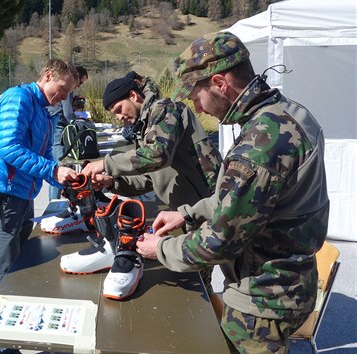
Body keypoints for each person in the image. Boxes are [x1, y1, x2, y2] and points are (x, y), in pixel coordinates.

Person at [136, 31, 329, 353]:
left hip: (262, 300)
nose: (197, 108)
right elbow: (251, 200)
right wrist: (186, 213)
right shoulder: (289, 114)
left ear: (219, 83)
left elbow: (219, 242)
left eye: (196, 96)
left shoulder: (259, 145)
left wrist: (162, 248)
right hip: (292, 283)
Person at [78, 74, 222, 298]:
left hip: (203, 212)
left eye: (118, 109)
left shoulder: (165, 109)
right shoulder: (146, 127)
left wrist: (105, 164)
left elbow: (157, 156)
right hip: (183, 215)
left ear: (134, 95)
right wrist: (112, 182)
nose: (119, 117)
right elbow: (150, 177)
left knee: (198, 288)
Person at [0, 59, 79, 293]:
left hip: (23, 195)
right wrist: (53, 170)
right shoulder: (19, 98)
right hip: (3, 196)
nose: (65, 98)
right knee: (7, 272)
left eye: (69, 93)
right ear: (47, 76)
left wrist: (61, 180)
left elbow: (43, 153)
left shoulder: (43, 109)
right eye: (63, 89)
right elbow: (10, 148)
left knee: (22, 261)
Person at [48, 65, 88, 200]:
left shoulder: (70, 90)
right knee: (60, 167)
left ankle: (57, 199)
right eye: (80, 82)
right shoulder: (68, 89)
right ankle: (54, 202)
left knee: (58, 165)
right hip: (58, 127)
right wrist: (79, 120)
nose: (79, 86)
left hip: (58, 125)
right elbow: (67, 113)